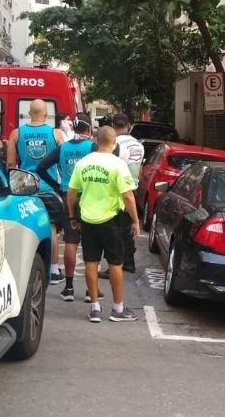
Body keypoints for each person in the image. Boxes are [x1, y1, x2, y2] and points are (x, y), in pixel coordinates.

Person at [66, 126, 141, 323]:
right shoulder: (118, 164)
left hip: (88, 219)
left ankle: (95, 308)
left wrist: (73, 216)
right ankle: (117, 309)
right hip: (110, 220)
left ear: (96, 141)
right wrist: (135, 220)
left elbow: (72, 192)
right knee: (115, 263)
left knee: (91, 262)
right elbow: (127, 196)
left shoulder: (83, 163)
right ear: (114, 142)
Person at [36, 114, 99, 302]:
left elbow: (41, 167)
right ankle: (91, 292)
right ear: (88, 130)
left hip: (67, 195)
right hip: (90, 197)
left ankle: (69, 287)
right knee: (91, 244)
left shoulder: (63, 148)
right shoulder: (93, 147)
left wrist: (56, 185)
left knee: (71, 242)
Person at [8, 99, 65, 283]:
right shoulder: (55, 134)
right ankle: (54, 271)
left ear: (28, 112)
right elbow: (62, 163)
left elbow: (10, 164)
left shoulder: (16, 134)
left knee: (25, 228)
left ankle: (23, 269)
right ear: (46, 114)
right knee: (52, 229)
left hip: (25, 188)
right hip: (48, 189)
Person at [112, 113, 145, 274]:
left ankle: (119, 262)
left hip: (118, 190)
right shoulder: (139, 145)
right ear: (129, 126)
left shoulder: (115, 143)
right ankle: (129, 261)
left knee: (116, 228)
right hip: (134, 187)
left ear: (113, 126)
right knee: (127, 226)